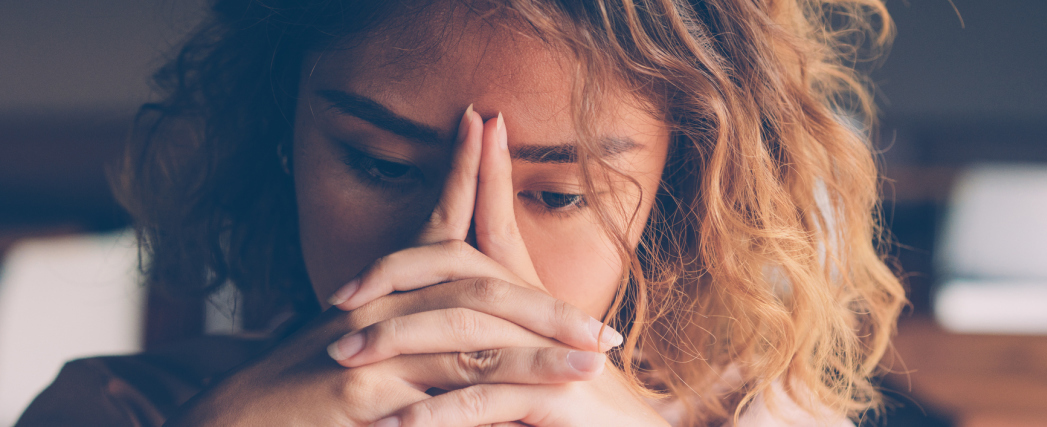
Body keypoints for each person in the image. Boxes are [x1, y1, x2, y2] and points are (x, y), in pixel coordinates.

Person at [18, 0, 904, 425]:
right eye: (378, 163)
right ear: (278, 133)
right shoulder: (111, 409)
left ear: (678, 191)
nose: (465, 255)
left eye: (560, 193)